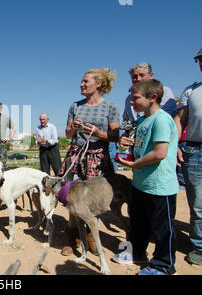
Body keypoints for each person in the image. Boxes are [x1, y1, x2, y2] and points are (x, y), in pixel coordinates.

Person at [114, 79, 178, 275]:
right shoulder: (142, 120)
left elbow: (160, 153)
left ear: (153, 97)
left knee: (162, 228)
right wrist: (124, 144)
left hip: (159, 185)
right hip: (142, 183)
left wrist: (133, 164)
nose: (131, 102)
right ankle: (138, 253)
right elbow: (140, 147)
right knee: (139, 222)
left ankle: (164, 265)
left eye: (136, 98)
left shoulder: (161, 119)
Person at [58, 68, 120, 256]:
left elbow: (115, 136)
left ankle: (91, 238)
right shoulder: (75, 106)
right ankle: (72, 238)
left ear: (98, 84)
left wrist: (98, 133)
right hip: (76, 156)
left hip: (97, 157)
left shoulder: (110, 107)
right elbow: (68, 134)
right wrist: (74, 128)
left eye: (86, 81)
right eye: (82, 81)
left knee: (92, 200)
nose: (81, 84)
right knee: (72, 196)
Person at [173, 48, 202, 266]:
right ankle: (200, 246)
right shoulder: (191, 91)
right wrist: (176, 146)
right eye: (200, 60)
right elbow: (179, 120)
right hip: (194, 150)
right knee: (198, 202)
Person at [0, 102, 16, 167]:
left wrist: (10, 137)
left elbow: (14, 127)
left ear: (1, 109)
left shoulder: (6, 117)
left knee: (2, 164)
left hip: (1, 144)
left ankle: (2, 177)